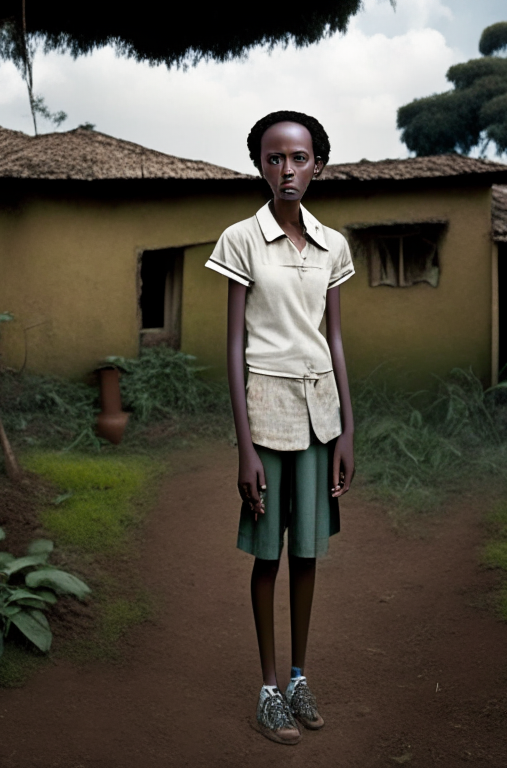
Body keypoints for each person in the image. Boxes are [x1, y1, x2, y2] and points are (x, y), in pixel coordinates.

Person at [205, 110, 355, 745]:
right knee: (267, 556)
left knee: (308, 554)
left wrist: (349, 428)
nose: (286, 170)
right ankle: (268, 689)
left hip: (321, 418)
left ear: (317, 164)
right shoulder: (241, 239)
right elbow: (235, 345)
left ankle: (299, 677)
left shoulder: (332, 244)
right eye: (273, 159)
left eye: (298, 159)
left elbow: (336, 339)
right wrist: (245, 449)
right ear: (259, 166)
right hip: (266, 416)